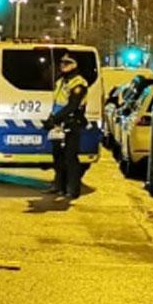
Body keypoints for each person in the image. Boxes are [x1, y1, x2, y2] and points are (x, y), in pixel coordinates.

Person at [42, 53, 91, 200]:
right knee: (58, 156)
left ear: (75, 64)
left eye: (67, 62)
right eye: (62, 62)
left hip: (71, 122)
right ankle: (59, 186)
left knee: (70, 157)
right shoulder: (62, 81)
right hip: (58, 122)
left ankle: (72, 189)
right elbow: (58, 101)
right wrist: (51, 119)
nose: (63, 65)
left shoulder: (78, 83)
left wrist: (56, 118)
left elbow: (73, 105)